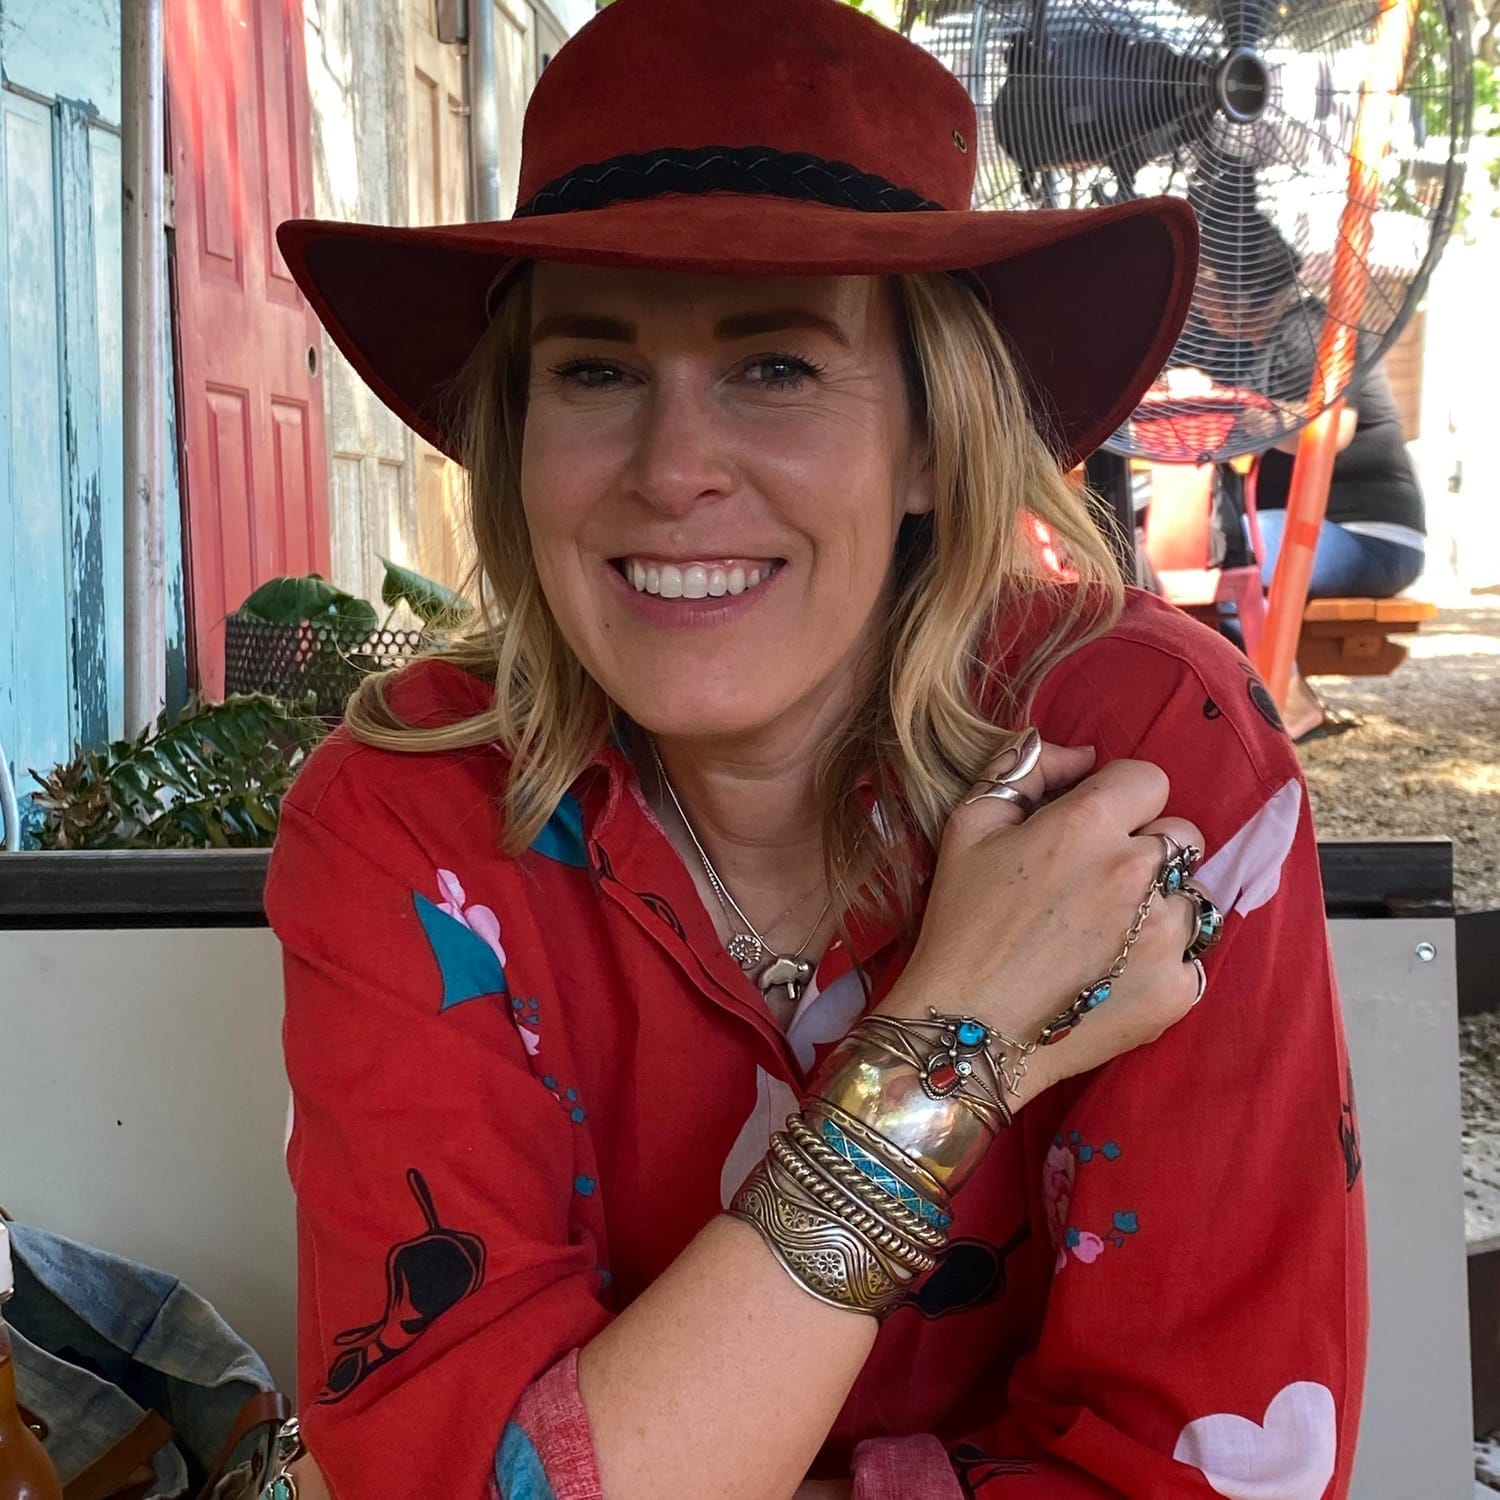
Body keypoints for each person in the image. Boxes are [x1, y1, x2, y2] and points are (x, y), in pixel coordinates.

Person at [263, 2, 1366, 1496]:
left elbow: (1208, 1465)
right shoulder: (412, 818)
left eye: (774, 366)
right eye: (593, 372)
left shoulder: (1155, 755)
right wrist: (953, 1043)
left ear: (933, 435)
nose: (671, 472)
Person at [1195, 211, 1427, 739]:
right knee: (1198, 548)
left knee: (1217, 555)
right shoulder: (1260, 347)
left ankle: (1289, 702)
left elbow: (1329, 431)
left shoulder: (1314, 331)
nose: (1198, 305)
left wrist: (1232, 408)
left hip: (1369, 536)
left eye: (1206, 288)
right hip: (1312, 533)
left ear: (1242, 289)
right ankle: (1271, 699)